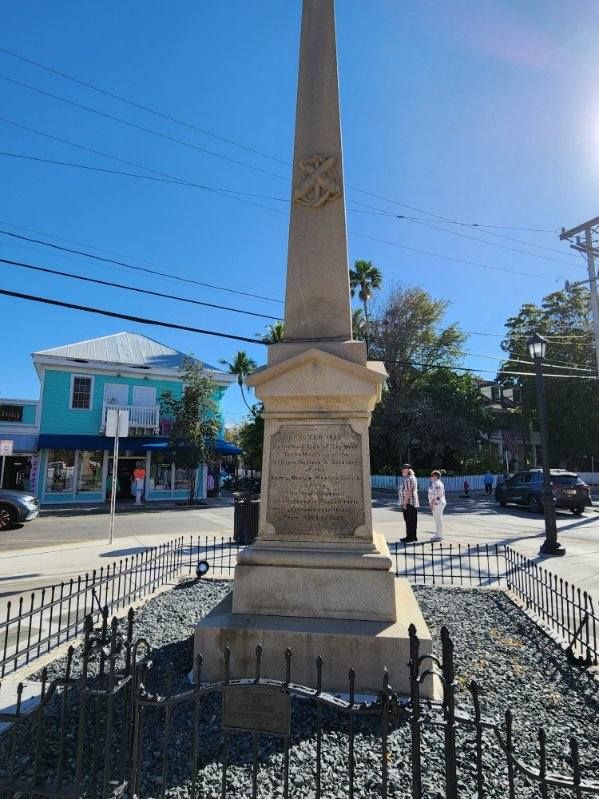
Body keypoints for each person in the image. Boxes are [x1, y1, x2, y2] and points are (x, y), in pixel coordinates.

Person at [398, 463, 419, 543]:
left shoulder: (408, 478)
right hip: (412, 502)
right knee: (412, 520)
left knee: (409, 520)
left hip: (409, 502)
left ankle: (410, 537)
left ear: (408, 470)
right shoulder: (411, 477)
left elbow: (408, 491)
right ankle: (412, 536)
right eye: (402, 469)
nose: (402, 470)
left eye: (404, 469)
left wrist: (405, 502)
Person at [428, 470, 446, 542]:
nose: (431, 477)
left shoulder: (436, 483)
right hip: (439, 503)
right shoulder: (437, 483)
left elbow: (436, 495)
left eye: (432, 475)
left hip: (437, 503)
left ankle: (439, 535)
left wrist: (431, 504)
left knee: (438, 519)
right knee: (438, 519)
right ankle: (438, 534)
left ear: (436, 476)